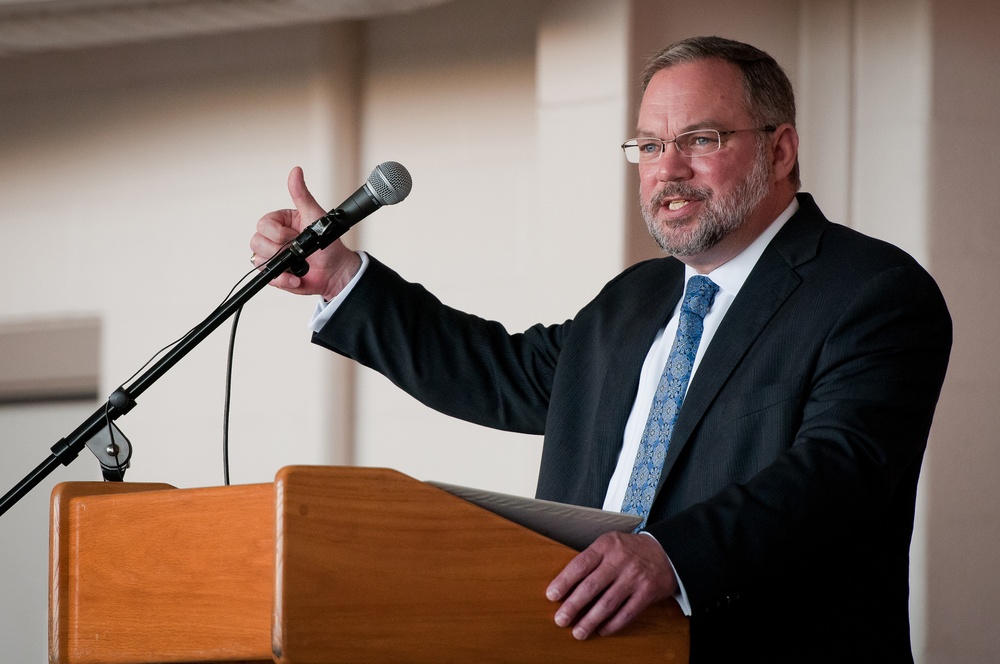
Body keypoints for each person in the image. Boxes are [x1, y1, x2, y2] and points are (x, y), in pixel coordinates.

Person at [250, 36, 952, 662]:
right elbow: (498, 374)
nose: (667, 168)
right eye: (648, 145)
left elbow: (837, 474)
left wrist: (670, 557)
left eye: (700, 139)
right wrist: (342, 278)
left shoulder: (871, 293)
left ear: (780, 148)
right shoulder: (635, 300)